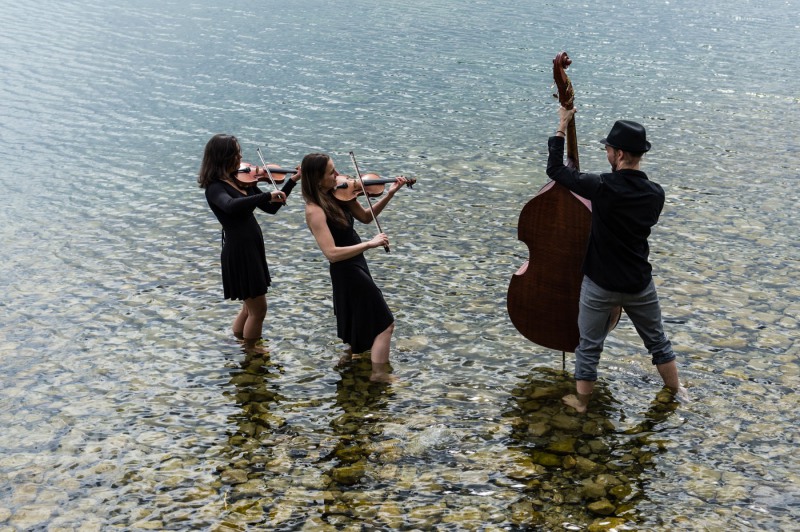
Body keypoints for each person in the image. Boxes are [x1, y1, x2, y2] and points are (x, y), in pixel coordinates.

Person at [546, 106, 686, 413]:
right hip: (639, 284)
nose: (607, 153)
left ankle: (582, 403)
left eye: (608, 149)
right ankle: (676, 392)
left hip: (601, 284)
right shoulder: (655, 194)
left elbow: (555, 170)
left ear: (619, 153)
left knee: (589, 348)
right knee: (658, 342)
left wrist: (562, 126)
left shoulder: (602, 186)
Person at [300, 153, 409, 382]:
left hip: (357, 263)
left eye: (335, 169)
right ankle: (379, 374)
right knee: (385, 323)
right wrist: (369, 244)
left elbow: (366, 217)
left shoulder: (340, 194)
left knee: (359, 321)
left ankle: (351, 358)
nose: (338, 175)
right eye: (331, 172)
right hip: (346, 271)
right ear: (317, 179)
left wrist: (390, 194)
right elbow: (331, 253)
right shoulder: (314, 210)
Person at [198, 134, 301, 350]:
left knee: (249, 308)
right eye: (237, 152)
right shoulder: (215, 187)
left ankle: (238, 342)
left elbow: (272, 208)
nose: (241, 156)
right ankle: (252, 353)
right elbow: (231, 206)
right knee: (258, 310)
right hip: (239, 251)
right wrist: (265, 196)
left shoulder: (242, 180)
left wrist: (291, 182)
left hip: (252, 248)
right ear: (224, 156)